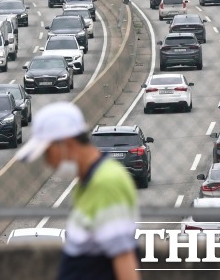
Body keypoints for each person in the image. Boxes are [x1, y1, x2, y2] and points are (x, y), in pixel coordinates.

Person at [16, 102, 140, 280]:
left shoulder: (106, 183)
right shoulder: (89, 181)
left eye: (47, 153)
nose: (48, 163)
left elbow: (124, 258)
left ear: (65, 144)